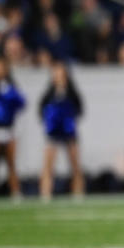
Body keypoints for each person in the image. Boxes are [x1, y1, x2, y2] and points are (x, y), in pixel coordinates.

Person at [39, 60, 84, 200]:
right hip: (53, 131)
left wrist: (69, 120)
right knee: (48, 165)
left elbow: (80, 108)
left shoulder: (71, 92)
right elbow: (41, 109)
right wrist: (50, 122)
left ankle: (78, 193)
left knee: (75, 164)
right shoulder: (49, 93)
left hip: (69, 131)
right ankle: (45, 193)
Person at [0, 56, 26, 197]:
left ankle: (15, 191)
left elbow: (21, 103)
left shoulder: (10, 87)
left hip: (8, 129)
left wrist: (8, 94)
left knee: (11, 164)